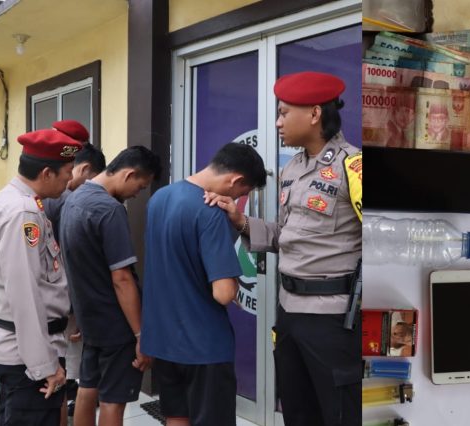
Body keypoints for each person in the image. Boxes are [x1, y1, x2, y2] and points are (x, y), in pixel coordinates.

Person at [206, 71, 362, 426]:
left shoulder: (353, 167)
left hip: (332, 319)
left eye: (283, 113)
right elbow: (284, 235)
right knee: (297, 411)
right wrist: (239, 221)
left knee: (338, 414)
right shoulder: (293, 169)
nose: (277, 123)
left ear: (314, 114)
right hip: (290, 313)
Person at [141, 143, 266, 426]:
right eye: (241, 193)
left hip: (165, 341)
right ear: (234, 180)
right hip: (204, 346)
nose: (237, 200)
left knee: (176, 417)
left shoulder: (159, 198)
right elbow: (224, 293)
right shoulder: (210, 212)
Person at [0, 128, 82, 425]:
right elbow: (24, 294)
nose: (70, 180)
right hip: (28, 359)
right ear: (47, 173)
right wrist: (46, 367)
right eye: (67, 172)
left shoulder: (15, 200)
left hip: (21, 349)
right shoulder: (23, 214)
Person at [59, 146, 161, 426]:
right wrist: (141, 334)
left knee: (86, 390)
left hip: (90, 321)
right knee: (112, 402)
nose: (136, 194)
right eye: (140, 187)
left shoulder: (73, 199)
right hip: (116, 326)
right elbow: (122, 278)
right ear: (129, 174)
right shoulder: (109, 209)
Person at [41, 120, 106, 423]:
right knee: (65, 373)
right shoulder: (65, 198)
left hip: (56, 300)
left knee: (63, 372)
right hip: (64, 301)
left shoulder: (48, 194)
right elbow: (72, 260)